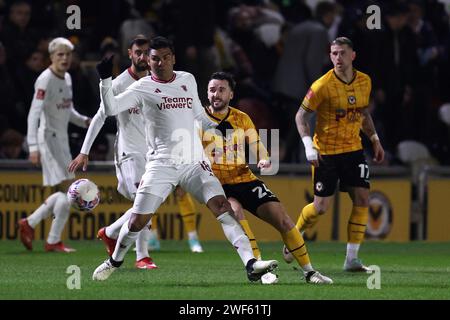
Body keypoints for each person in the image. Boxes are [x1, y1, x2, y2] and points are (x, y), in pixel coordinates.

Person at [92, 36, 277, 283]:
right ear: (148, 60)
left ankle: (251, 264)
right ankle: (114, 260)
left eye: (165, 58)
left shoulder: (187, 79)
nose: (160, 63)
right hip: (162, 164)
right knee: (137, 220)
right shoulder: (142, 87)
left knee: (222, 206)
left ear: (173, 59)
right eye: (155, 58)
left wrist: (215, 127)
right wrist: (105, 81)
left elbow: (199, 116)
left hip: (193, 161)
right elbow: (111, 110)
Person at [202, 71, 332, 284]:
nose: (216, 94)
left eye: (221, 90)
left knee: (282, 219)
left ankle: (309, 272)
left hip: (244, 178)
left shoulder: (241, 118)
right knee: (235, 212)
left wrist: (264, 159)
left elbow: (256, 145)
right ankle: (260, 269)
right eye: (212, 90)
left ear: (231, 94)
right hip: (217, 185)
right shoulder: (199, 120)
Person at [286, 37, 385, 271]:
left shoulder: (365, 81)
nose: (337, 58)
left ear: (353, 56)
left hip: (354, 151)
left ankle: (351, 259)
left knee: (362, 198)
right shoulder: (321, 85)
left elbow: (362, 113)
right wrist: (308, 145)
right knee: (320, 208)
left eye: (341, 53)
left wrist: (374, 139)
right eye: (333, 53)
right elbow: (301, 116)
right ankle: (294, 234)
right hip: (326, 153)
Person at [19, 37, 91, 252]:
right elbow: (34, 114)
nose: (65, 58)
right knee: (69, 190)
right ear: (51, 57)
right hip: (47, 139)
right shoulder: (45, 79)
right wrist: (33, 146)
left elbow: (67, 111)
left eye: (68, 54)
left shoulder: (67, 78)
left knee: (67, 191)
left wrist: (85, 121)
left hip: (62, 140)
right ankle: (49, 238)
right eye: (60, 54)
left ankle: (32, 225)